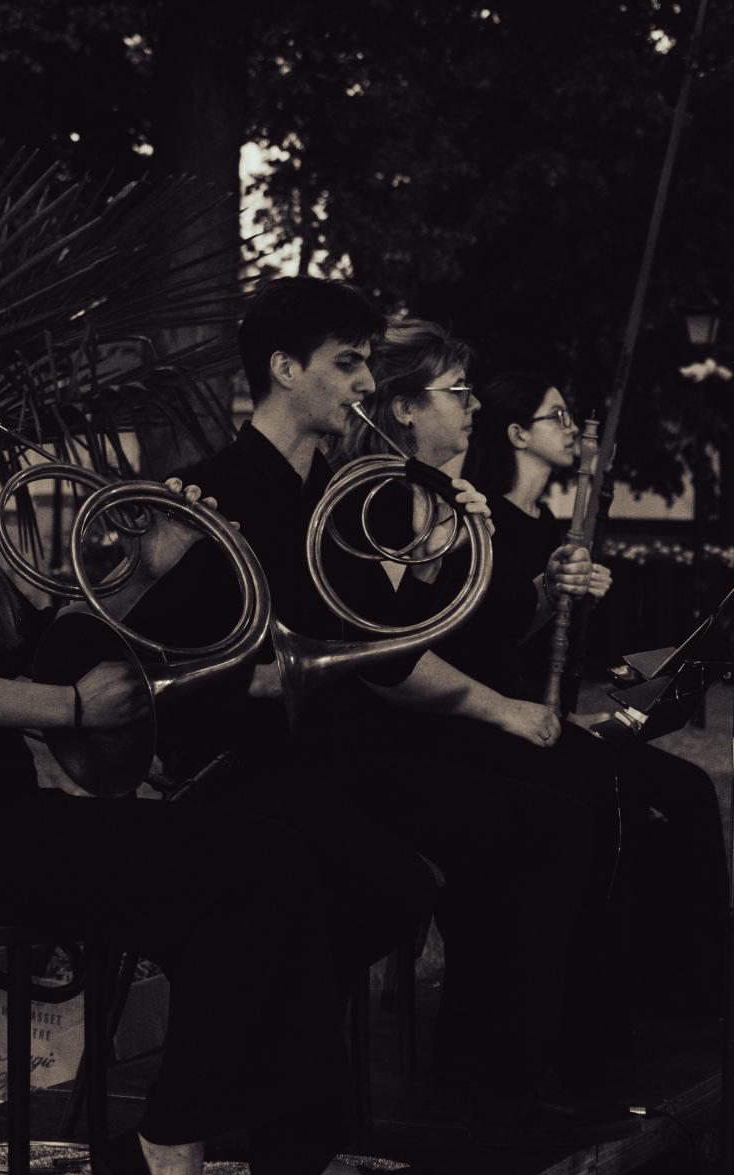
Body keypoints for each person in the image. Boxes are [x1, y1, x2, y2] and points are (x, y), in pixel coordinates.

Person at [0, 265, 422, 1175]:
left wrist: (143, 566)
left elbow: (19, 648)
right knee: (260, 864)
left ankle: (275, 1151)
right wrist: (69, 705)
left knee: (262, 868)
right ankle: (176, 1143)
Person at [134, 279, 624, 1132]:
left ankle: (497, 1073)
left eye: (367, 363)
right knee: (388, 883)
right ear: (286, 369)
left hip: (336, 752)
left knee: (552, 823)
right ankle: (283, 1088)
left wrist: (435, 559)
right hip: (245, 764)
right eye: (348, 363)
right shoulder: (209, 492)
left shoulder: (333, 494)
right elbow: (153, 657)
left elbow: (383, 645)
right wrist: (155, 575)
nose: (367, 382)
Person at [462, 371, 727, 1017]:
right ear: (517, 433)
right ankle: (651, 990)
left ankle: (689, 979)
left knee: (686, 784)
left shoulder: (553, 524)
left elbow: (571, 656)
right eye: (555, 416)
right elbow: (494, 649)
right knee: (642, 799)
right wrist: (555, 608)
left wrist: (621, 657)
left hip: (560, 711)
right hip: (510, 719)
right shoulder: (488, 521)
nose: (572, 429)